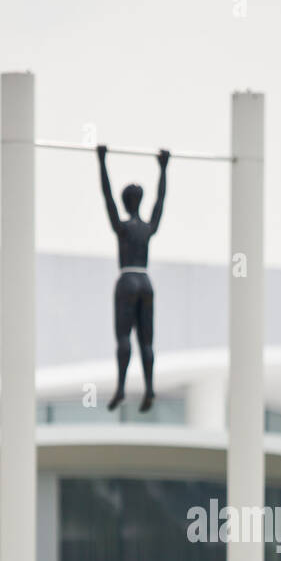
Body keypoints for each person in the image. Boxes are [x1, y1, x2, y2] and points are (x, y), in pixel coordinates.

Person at [96, 144, 169, 412]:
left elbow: (107, 198)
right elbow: (160, 202)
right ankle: (149, 387)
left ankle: (122, 387)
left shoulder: (123, 229)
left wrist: (101, 162)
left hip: (128, 280)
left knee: (124, 338)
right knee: (147, 341)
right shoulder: (146, 229)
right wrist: (164, 169)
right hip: (146, 282)